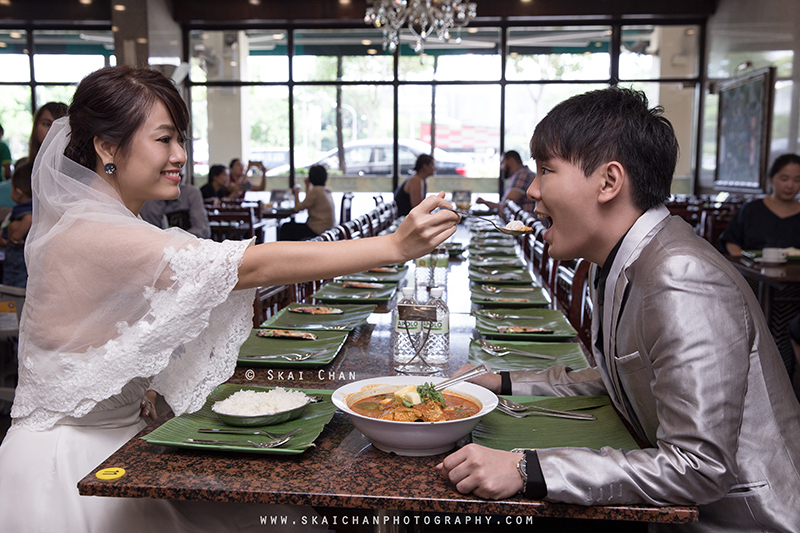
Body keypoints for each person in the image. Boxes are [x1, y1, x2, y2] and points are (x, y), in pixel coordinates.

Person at [0, 65, 458, 532]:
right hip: (71, 467)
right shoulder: (94, 231)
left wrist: (144, 381)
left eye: (181, 139)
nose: (179, 155)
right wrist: (394, 246)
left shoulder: (99, 222)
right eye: (163, 139)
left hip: (126, 444)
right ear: (106, 147)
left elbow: (103, 332)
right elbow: (252, 266)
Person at [437, 87, 800, 532]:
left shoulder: (681, 276)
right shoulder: (616, 259)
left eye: (546, 170)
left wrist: (526, 468)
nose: (531, 189)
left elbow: (699, 466)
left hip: (748, 522)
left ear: (609, 182)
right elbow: (627, 375)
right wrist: (502, 379)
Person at [719, 153, 800, 255]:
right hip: (750, 268)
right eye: (784, 179)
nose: (790, 185)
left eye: (797, 180)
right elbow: (731, 241)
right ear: (770, 179)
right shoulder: (750, 209)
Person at [278, 164, 335, 241]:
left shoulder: (316, 191)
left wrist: (296, 191)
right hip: (327, 228)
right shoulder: (325, 190)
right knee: (291, 227)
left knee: (285, 227)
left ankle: (284, 252)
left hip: (316, 229)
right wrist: (307, 185)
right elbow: (308, 202)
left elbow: (298, 208)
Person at [139, 180, 211, 238]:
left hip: (186, 246)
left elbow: (203, 229)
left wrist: (174, 240)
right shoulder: (146, 198)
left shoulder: (191, 193)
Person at [1, 160, 33, 287]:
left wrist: (16, 237)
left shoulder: (22, 209)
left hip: (18, 264)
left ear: (18, 193)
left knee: (13, 292)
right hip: (30, 263)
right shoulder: (41, 206)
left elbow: (29, 219)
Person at [26, 101, 69, 165]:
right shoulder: (22, 172)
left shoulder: (77, 171)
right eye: (47, 124)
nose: (52, 130)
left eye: (60, 126)